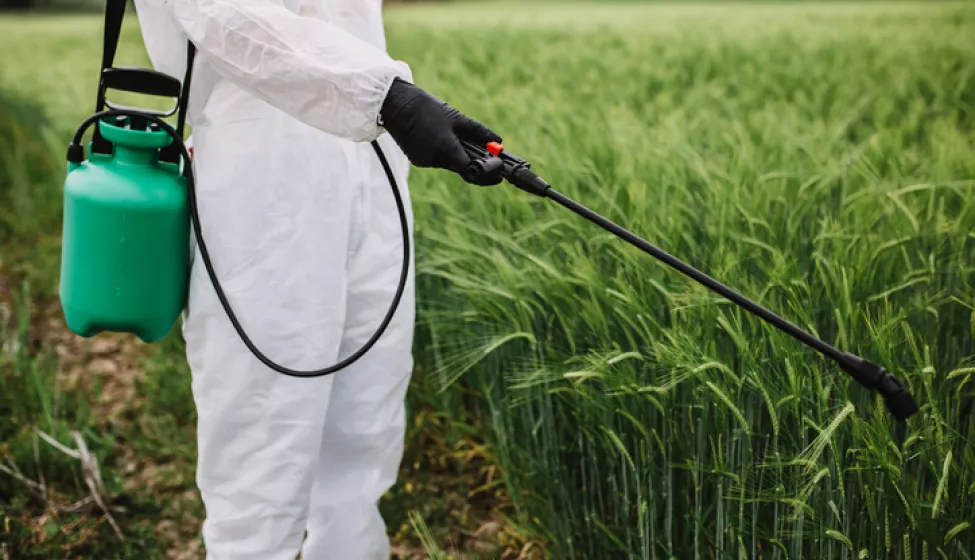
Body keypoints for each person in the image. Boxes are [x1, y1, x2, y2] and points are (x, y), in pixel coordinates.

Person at [130, 0, 502, 558]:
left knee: (363, 435)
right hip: (262, 174)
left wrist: (385, 102)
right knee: (263, 459)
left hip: (374, 163)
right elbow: (219, 14)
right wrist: (386, 96)